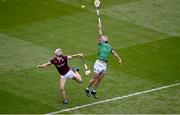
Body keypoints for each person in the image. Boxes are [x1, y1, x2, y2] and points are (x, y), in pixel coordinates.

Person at [85, 8, 122, 98]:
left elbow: (114, 53)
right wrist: (100, 27)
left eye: (105, 37)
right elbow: (100, 34)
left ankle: (94, 90)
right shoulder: (101, 44)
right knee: (95, 78)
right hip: (98, 63)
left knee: (100, 78)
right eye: (103, 37)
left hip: (104, 64)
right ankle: (87, 88)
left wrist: (119, 58)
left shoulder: (109, 47)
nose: (104, 37)